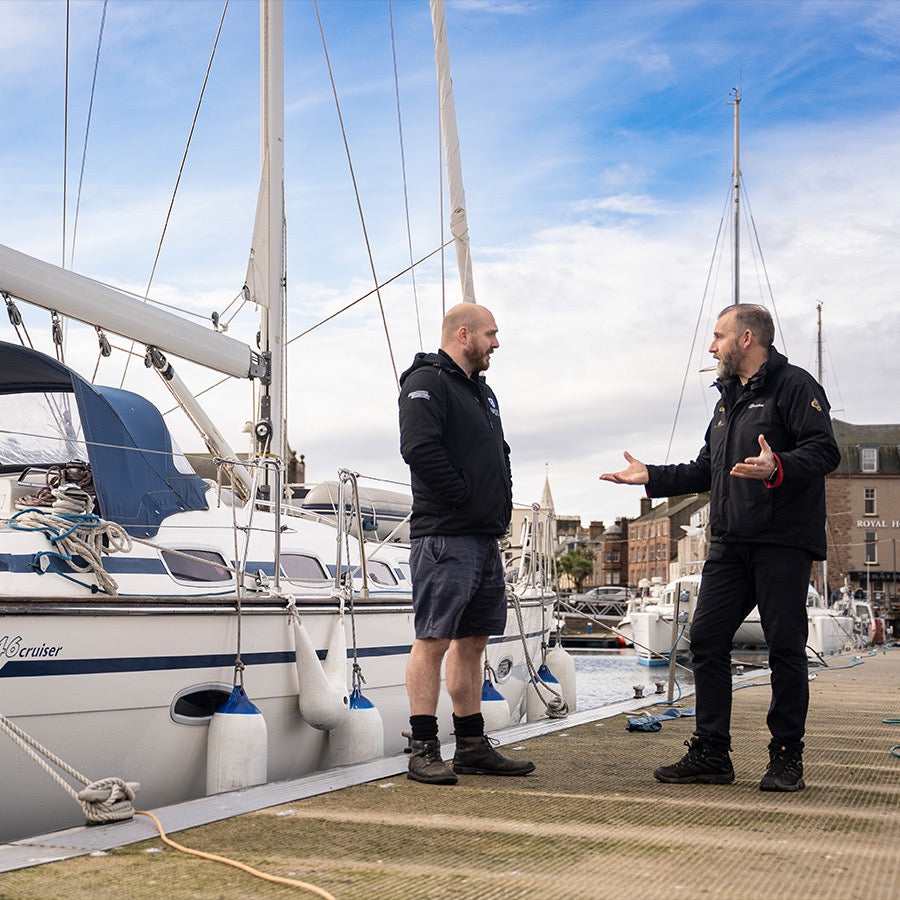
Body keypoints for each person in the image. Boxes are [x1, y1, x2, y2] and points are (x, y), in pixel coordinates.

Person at [601, 303, 839, 792]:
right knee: (706, 639)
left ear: (747, 338)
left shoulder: (795, 386)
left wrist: (779, 466)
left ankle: (786, 756)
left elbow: (825, 451)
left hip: (781, 542)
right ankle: (711, 753)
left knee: (786, 649)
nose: (711, 347)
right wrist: (652, 478)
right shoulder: (726, 399)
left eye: (718, 336)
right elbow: (703, 469)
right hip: (730, 544)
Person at [398, 302, 535, 785]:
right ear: (464, 334)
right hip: (445, 535)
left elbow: (500, 454)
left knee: (473, 641)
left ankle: (471, 745)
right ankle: (421, 747)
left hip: (482, 536)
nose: (496, 343)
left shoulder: (483, 392)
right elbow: (418, 449)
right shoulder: (426, 383)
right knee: (433, 639)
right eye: (491, 335)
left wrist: (495, 510)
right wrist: (462, 499)